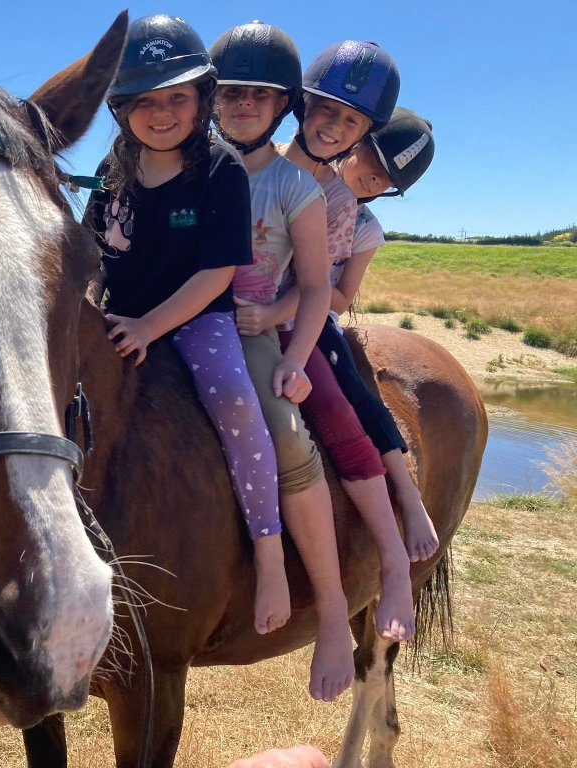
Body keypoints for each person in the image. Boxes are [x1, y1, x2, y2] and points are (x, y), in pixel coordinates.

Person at [82, 14, 292, 641]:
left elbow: (218, 272)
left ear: (202, 100)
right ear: (121, 109)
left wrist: (150, 326)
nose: (162, 113)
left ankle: (270, 553)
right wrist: (90, 307)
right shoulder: (113, 170)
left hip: (198, 320)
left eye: (177, 97)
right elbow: (93, 256)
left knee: (236, 403)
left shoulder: (220, 169)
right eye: (144, 101)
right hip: (121, 314)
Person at [234, 39, 416, 642]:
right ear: (301, 106)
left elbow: (315, 285)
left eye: (351, 121)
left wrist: (272, 319)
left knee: (336, 410)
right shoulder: (244, 160)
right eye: (326, 110)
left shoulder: (337, 200)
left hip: (283, 320)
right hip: (214, 312)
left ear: (364, 132)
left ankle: (389, 560)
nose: (333, 128)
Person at [209, 20, 354, 701]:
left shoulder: (295, 186)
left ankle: (332, 608)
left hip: (247, 329)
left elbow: (318, 287)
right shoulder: (187, 164)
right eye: (231, 91)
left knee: (289, 438)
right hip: (168, 316)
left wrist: (294, 358)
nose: (243, 104)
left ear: (282, 107)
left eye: (260, 95)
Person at [320, 107, 439, 561]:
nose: (376, 178)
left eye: (389, 179)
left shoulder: (366, 229)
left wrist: (300, 292)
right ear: (355, 143)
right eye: (375, 159)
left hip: (311, 315)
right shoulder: (295, 180)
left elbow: (341, 298)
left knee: (354, 391)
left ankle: (407, 494)